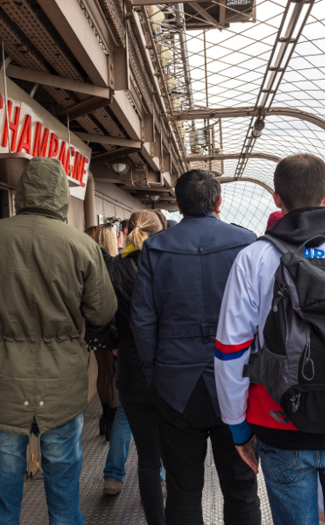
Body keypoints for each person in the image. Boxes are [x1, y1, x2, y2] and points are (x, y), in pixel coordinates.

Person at [214, 154, 325, 525]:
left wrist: (238, 427)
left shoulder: (254, 258)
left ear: (277, 199)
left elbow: (231, 351)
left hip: (278, 422)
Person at [0, 157, 117, 525]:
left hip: (1, 381)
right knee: (64, 501)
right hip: (62, 383)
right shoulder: (82, 245)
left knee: (2, 503)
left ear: (23, 192)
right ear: (61, 195)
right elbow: (103, 311)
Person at [131, 169, 260, 525]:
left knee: (184, 490)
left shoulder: (155, 247)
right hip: (236, 382)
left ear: (177, 204)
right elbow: (262, 315)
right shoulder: (246, 242)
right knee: (241, 487)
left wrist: (153, 373)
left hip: (176, 384)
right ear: (219, 202)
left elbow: (142, 320)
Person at [105, 210, 165, 522]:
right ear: (162, 231)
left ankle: (116, 479)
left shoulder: (114, 268)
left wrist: (113, 342)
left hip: (129, 365)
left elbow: (101, 314)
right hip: (170, 370)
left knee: (147, 458)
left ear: (126, 230)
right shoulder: (169, 265)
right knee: (175, 451)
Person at [84, 224, 121, 439]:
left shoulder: (87, 261)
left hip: (93, 325)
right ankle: (112, 421)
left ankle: (104, 418)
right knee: (113, 373)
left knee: (102, 372)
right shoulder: (110, 262)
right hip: (110, 323)